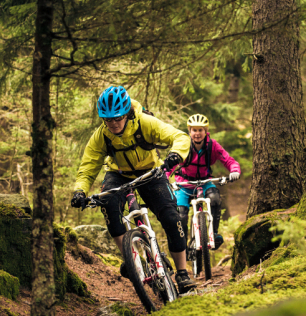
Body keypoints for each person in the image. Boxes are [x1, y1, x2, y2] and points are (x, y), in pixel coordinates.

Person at [70, 86, 197, 294]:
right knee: (109, 206)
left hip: (150, 172)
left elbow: (180, 137)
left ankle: (182, 273)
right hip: (118, 174)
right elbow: (88, 166)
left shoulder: (145, 123)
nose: (113, 124)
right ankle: (131, 259)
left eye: (117, 118)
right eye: (108, 120)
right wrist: (80, 191)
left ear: (127, 113)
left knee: (171, 217)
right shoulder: (101, 135)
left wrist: (176, 154)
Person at [167, 113, 241, 251]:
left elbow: (228, 159)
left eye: (200, 130)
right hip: (184, 184)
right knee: (181, 214)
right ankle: (183, 246)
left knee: (214, 198)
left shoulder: (212, 145)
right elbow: (170, 165)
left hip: (205, 182)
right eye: (194, 130)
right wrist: (165, 178)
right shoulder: (184, 145)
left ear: (206, 131)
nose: (197, 133)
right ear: (189, 131)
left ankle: (214, 233)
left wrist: (234, 170)